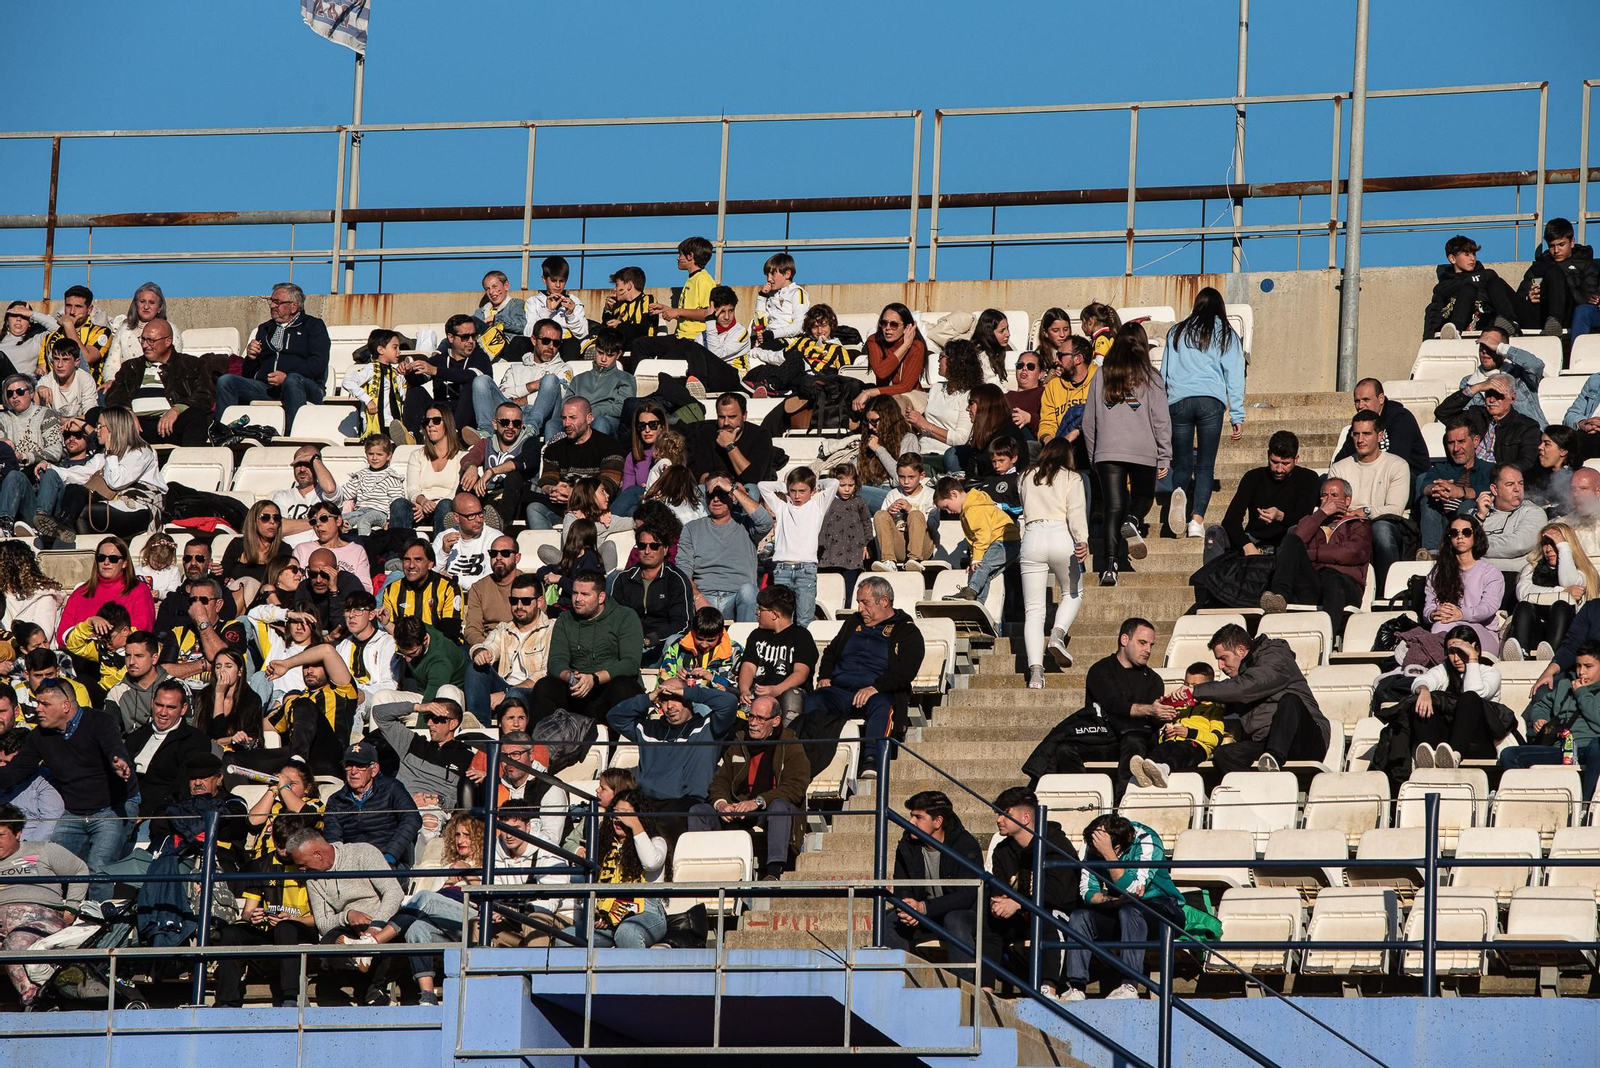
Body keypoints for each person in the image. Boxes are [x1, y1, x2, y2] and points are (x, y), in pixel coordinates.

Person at [0, 683, 137, 897]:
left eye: (45, 704)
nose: (38, 709)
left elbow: (114, 747)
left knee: (98, 868)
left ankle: (99, 915)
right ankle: (52, 909)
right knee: (49, 862)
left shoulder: (100, 721)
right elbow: (13, 772)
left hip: (113, 807)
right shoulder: (39, 736)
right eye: (37, 703)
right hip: (74, 811)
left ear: (65, 706)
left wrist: (119, 762)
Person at [792, 576, 924, 774]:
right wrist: (824, 676)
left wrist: (875, 688)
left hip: (878, 692)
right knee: (815, 699)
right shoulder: (853, 623)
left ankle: (872, 760)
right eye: (858, 602)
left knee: (883, 704)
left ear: (884, 601)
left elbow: (906, 671)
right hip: (840, 691)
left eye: (865, 602)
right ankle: (807, 757)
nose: (860, 608)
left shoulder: (906, 631)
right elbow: (831, 652)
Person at [1060, 814, 1185, 1003]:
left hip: (1162, 909)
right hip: (1119, 907)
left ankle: (1129, 985)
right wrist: (1113, 900)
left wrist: (1108, 855)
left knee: (1131, 911)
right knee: (1080, 916)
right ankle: (1076, 987)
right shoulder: (1093, 843)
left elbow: (1134, 890)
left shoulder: (1146, 840)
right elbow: (1087, 892)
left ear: (1116, 848)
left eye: (1099, 850)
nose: (1093, 852)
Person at [1082, 323, 1171, 587]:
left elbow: (1088, 421)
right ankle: (1133, 520)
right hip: (1143, 450)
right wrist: (1165, 454)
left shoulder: (1101, 374)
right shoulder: (1151, 376)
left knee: (1113, 507)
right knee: (1143, 496)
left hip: (1107, 451)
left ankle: (1109, 566)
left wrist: (1094, 455)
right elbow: (1161, 420)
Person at [211, 812, 321, 1009]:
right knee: (231, 932)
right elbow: (247, 912)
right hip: (270, 930)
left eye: (289, 846)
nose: (285, 851)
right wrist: (253, 916)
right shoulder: (262, 865)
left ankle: (291, 997)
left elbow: (322, 918)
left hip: (303, 929)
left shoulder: (309, 866)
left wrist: (294, 919)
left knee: (286, 928)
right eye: (280, 845)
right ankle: (227, 1001)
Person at [608, 676, 740, 835]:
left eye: (676, 698)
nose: (670, 705)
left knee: (669, 820)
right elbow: (614, 717)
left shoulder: (709, 727)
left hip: (686, 804)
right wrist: (649, 698)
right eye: (664, 700)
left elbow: (729, 702)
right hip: (647, 802)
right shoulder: (647, 728)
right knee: (612, 812)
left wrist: (688, 692)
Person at [284, 828, 402, 1005]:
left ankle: (371, 991)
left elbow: (394, 892)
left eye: (303, 863)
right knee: (328, 945)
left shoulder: (363, 852)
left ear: (318, 855)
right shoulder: (312, 878)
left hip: (381, 921)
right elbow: (322, 922)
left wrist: (375, 926)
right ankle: (371, 993)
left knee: (384, 938)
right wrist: (347, 916)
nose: (301, 869)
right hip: (347, 928)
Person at [1162, 288, 1245, 539]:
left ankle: (1179, 491)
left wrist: (1162, 408)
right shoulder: (1226, 334)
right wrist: (1237, 414)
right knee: (1205, 465)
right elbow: (1235, 375)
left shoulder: (1176, 332)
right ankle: (1196, 521)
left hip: (1178, 401)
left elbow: (1164, 372)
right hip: (1211, 401)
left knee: (1182, 462)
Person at [984, 787, 1081, 998]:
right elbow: (999, 888)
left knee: (1048, 918)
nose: (999, 820)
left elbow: (1059, 896)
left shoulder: (1056, 845)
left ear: (1026, 817)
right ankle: (985, 990)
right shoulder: (1002, 850)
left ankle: (1049, 987)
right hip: (1019, 917)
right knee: (988, 923)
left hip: (1056, 914)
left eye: (1005, 814)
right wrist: (997, 903)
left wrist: (1018, 903)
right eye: (998, 814)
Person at [1381, 627, 1509, 785]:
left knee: (1469, 698)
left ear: (1475, 649)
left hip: (1479, 741)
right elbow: (1421, 681)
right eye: (1451, 652)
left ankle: (1454, 755)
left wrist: (1472, 660)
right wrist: (1424, 691)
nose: (1456, 658)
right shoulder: (1444, 670)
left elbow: (1475, 692)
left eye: (1461, 652)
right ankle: (1430, 754)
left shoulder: (1490, 673)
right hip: (1445, 743)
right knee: (1420, 702)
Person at [1197, 624, 1331, 773]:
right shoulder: (1242, 679)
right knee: (1225, 755)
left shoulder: (1275, 658)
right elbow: (1230, 698)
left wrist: (1196, 691)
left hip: (1306, 739)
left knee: (1290, 700)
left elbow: (1246, 687)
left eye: (1223, 658)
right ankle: (1256, 785)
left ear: (1241, 650)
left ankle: (1274, 758)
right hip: (1267, 742)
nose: (1220, 666)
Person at [0, 801, 90, 1007]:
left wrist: (72, 907)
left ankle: (36, 1000)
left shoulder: (43, 850)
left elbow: (79, 869)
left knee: (16, 942)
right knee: (13, 941)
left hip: (39, 919)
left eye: (1, 835)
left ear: (17, 833)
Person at [879, 790, 982, 966]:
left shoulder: (964, 844)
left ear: (937, 821)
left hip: (962, 913)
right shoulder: (907, 845)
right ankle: (902, 975)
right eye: (911, 816)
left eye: (918, 817)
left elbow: (966, 896)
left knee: (954, 920)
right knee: (890, 921)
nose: (911, 822)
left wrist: (923, 908)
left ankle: (965, 980)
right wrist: (908, 907)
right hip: (924, 914)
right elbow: (901, 884)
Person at [530, 570, 645, 723]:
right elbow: (556, 661)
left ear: (601, 597)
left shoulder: (625, 617)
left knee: (623, 686)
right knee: (545, 687)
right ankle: (541, 738)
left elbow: (630, 663)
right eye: (575, 593)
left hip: (610, 687)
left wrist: (594, 678)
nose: (578, 599)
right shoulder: (565, 619)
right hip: (577, 689)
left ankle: (623, 738)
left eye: (585, 594)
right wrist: (570, 677)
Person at [1257, 478, 1371, 631]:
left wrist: (1312, 554)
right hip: (1314, 584)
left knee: (1333, 578)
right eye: (1324, 495)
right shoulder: (1313, 522)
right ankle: (1279, 597)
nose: (1329, 500)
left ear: (1347, 500)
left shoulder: (1358, 524)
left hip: (1346, 585)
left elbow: (1351, 552)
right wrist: (1321, 514)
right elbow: (1295, 541)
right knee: (1291, 539)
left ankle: (1328, 635)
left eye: (1334, 495)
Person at [564, 788, 670, 949]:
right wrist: (600, 914)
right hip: (608, 914)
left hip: (646, 911)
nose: (619, 819)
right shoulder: (604, 845)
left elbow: (650, 863)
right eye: (616, 812)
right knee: (566, 939)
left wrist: (636, 826)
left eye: (626, 814)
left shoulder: (656, 841)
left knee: (627, 932)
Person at [217, 282, 331, 429]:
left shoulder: (313, 326)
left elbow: (318, 363)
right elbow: (248, 374)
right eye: (271, 301)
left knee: (292, 380)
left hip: (306, 387)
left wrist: (286, 376)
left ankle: (292, 433)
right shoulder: (265, 329)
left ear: (294, 306)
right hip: (267, 388)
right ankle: (222, 431)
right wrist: (251, 358)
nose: (272, 306)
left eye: (277, 302)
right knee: (226, 381)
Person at [1502, 640, 1600, 800]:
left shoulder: (1581, 690)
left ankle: (1587, 804)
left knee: (1598, 746)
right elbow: (1542, 705)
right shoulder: (1565, 685)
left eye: (1588, 666)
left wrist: (1582, 693)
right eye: (1578, 666)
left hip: (1589, 750)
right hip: (1562, 749)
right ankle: (1523, 802)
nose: (1581, 672)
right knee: (1510, 754)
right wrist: (1540, 718)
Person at [1327, 409, 1412, 590]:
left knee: (1381, 530)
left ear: (1380, 436)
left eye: (1366, 434)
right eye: (1356, 434)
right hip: (1347, 524)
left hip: (1384, 524)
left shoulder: (1397, 465)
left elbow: (1395, 509)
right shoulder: (1339, 468)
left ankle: (1389, 591)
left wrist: (1365, 512)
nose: (1360, 440)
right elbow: (1331, 505)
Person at [54, 408, 166, 539]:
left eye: (100, 426)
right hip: (114, 501)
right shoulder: (104, 455)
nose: (96, 430)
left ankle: (86, 548)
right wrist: (52, 469)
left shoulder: (141, 451)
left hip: (140, 507)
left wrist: (111, 454)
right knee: (75, 489)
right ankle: (61, 525)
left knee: (84, 512)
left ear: (114, 428)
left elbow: (116, 482)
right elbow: (83, 472)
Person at [102, 318, 214, 447]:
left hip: (172, 423)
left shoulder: (191, 364)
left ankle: (189, 458)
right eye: (143, 339)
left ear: (168, 341)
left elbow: (205, 394)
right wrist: (126, 413)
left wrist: (177, 410)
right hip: (136, 427)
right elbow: (115, 395)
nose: (144, 345)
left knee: (196, 416)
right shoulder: (131, 367)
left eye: (151, 341)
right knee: (97, 415)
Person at [677, 480, 772, 624]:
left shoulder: (746, 524)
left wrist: (733, 489)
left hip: (737, 597)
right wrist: (697, 596)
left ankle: (745, 638)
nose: (716, 499)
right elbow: (683, 570)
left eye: (722, 493)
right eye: (711, 495)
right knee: (683, 593)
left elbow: (766, 521)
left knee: (749, 592)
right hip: (703, 597)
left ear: (732, 496)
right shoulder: (691, 528)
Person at [261, 640, 361, 775]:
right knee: (237, 760)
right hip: (294, 755)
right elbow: (262, 726)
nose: (309, 671)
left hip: (330, 758)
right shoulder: (294, 702)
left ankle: (298, 761)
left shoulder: (342, 691)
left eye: (316, 665)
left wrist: (287, 664)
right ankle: (296, 761)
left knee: (304, 704)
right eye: (306, 666)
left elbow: (326, 650)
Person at [1128, 664, 1234, 787]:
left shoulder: (1213, 710)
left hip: (1198, 746)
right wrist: (1166, 735)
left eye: (1194, 686)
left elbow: (1216, 739)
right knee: (1162, 748)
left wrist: (1189, 733)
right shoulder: (1181, 707)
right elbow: (1166, 733)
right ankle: (1145, 770)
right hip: (1174, 741)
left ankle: (1164, 769)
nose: (1188, 689)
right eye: (1186, 684)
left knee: (1182, 751)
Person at [758, 467, 840, 626]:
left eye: (802, 491)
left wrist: (815, 484)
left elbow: (834, 483)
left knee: (804, 620)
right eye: (793, 491)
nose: (797, 496)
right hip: (782, 569)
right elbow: (762, 486)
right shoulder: (782, 508)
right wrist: (786, 486)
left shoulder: (817, 507)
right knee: (782, 619)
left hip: (806, 570)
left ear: (812, 491)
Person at [1505, 523, 1599, 661]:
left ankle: (1554, 652)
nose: (1549, 549)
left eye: (1554, 543)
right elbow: (1523, 593)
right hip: (1537, 629)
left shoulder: (1582, 572)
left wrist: (1563, 547)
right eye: (1545, 543)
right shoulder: (1532, 568)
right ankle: (1521, 651)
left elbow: (1568, 581)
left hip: (1568, 632)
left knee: (1561, 606)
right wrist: (1562, 591)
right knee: (1524, 606)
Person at [528, 397, 626, 530]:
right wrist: (552, 489)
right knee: (534, 508)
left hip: (596, 510)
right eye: (564, 418)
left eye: (573, 418)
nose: (566, 423)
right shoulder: (554, 449)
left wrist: (575, 493)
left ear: (589, 418)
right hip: (563, 508)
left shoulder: (610, 447)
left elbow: (609, 484)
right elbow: (547, 479)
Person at [321, 741, 422, 868]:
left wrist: (390, 856)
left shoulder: (392, 788)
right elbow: (333, 840)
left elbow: (412, 819)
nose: (353, 771)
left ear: (374, 770)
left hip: (390, 861)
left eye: (360, 765)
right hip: (353, 865)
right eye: (349, 765)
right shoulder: (336, 800)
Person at [124, 680, 214, 817]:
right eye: (159, 705)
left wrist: (147, 814)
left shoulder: (195, 741)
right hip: (124, 807)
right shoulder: (136, 737)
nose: (163, 712)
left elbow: (182, 787)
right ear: (152, 703)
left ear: (183, 709)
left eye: (171, 707)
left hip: (161, 813)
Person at [610, 522, 694, 668]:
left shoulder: (676, 580)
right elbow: (614, 618)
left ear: (665, 549)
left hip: (661, 646)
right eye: (642, 546)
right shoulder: (623, 579)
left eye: (654, 546)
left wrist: (650, 639)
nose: (647, 551)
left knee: (674, 640)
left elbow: (683, 624)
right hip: (628, 645)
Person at [1419, 514, 1505, 656]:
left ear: (1475, 536)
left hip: (1482, 631)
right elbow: (1429, 606)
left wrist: (1461, 614)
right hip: (1447, 626)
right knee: (1441, 625)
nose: (1460, 537)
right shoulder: (1438, 573)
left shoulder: (1490, 573)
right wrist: (1435, 613)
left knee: (1453, 631)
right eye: (1454, 533)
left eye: (1466, 532)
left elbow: (1488, 608)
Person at [374, 695, 477, 811]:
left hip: (435, 810)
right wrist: (419, 707)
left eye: (436, 719)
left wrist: (440, 801)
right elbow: (379, 714)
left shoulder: (467, 757)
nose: (429, 723)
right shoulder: (411, 743)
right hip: (401, 806)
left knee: (429, 819)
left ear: (452, 724)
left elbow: (466, 802)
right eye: (427, 717)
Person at [1434, 325, 1547, 429]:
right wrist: (1479, 387)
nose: (1484, 351)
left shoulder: (1519, 374)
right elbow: (1464, 420)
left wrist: (1499, 348)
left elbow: (1537, 366)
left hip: (1534, 437)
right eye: (1482, 346)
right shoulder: (1469, 382)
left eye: (1490, 346)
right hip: (1495, 441)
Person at [475, 318, 569, 441]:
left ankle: (530, 429)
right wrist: (532, 386)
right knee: (481, 381)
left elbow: (557, 394)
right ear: (534, 340)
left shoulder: (563, 368)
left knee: (551, 380)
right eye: (546, 341)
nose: (551, 346)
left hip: (543, 418)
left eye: (556, 343)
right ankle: (485, 432)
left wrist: (521, 400)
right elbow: (504, 393)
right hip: (511, 415)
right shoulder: (515, 368)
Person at [738, 584, 818, 723]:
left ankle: (789, 735)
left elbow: (801, 673)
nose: (757, 613)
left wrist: (776, 690)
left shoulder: (801, 636)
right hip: (758, 692)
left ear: (774, 614)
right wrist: (745, 690)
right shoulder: (756, 635)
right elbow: (748, 666)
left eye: (761, 609)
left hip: (787, 691)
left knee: (792, 696)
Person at [1435, 372, 1542, 477]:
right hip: (1466, 474)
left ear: (1512, 398)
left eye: (1498, 395)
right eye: (1488, 394)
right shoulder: (1476, 415)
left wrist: (1499, 475)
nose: (1491, 400)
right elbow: (1442, 413)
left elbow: (1527, 463)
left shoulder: (1527, 426)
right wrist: (1476, 388)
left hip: (1499, 479)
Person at [933, 475, 1019, 604]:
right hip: (999, 542)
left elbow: (982, 534)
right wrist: (973, 560)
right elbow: (973, 540)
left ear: (954, 494)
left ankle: (970, 591)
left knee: (983, 566)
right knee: (984, 574)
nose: (948, 512)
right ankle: (977, 603)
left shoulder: (974, 508)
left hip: (1005, 541)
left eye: (946, 506)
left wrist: (977, 559)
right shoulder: (968, 509)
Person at [1414, 417, 1493, 556]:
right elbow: (1425, 486)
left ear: (1475, 441)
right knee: (1428, 500)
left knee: (1468, 503)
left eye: (1461, 442)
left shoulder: (1488, 469)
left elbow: (1491, 490)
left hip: (1473, 526)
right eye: (1451, 443)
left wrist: (1462, 492)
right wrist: (1435, 489)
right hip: (1441, 523)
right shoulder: (1440, 469)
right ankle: (1431, 553)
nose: (1456, 449)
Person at [470, 573, 553, 704]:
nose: (519, 606)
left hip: (534, 692)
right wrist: (481, 652)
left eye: (526, 601)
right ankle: (477, 717)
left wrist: (507, 693)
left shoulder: (552, 629)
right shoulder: (504, 629)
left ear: (540, 602)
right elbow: (489, 645)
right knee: (475, 668)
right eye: (514, 601)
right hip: (504, 686)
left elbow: (545, 672)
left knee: (515, 694)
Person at [57, 535, 156, 641]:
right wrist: (88, 630)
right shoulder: (80, 593)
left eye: (113, 559)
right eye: (101, 557)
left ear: (124, 563)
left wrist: (106, 640)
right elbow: (62, 635)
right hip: (80, 649)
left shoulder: (139, 590)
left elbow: (142, 629)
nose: (106, 562)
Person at [460, 405, 540, 532]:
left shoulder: (530, 442)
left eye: (516, 423)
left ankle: (500, 522)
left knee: (514, 476)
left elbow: (526, 461)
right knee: (467, 475)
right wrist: (471, 466)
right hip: (489, 498)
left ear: (522, 425)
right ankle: (459, 518)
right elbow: (469, 457)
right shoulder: (487, 443)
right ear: (495, 424)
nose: (510, 427)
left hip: (517, 501)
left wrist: (492, 471)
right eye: (505, 422)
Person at [905, 340, 982, 472]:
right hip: (922, 450)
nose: (938, 360)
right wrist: (916, 422)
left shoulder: (968, 395)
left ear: (955, 362)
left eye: (942, 356)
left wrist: (925, 425)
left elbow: (960, 439)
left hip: (947, 456)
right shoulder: (936, 388)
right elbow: (926, 428)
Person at [1423, 234, 1518, 339]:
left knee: (1494, 283)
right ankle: (1455, 330)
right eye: (1467, 254)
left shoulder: (1487, 278)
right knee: (1467, 290)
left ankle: (1510, 323)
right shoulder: (1443, 288)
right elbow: (1433, 315)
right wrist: (1428, 341)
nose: (1472, 258)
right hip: (1456, 327)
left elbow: (1491, 276)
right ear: (1452, 258)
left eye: (1474, 254)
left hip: (1488, 326)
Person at [1515, 217, 1598, 335]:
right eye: (1551, 246)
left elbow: (1587, 300)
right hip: (1541, 316)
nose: (1556, 251)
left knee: (1554, 272)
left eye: (1561, 245)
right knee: (1495, 281)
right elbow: (1519, 297)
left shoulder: (1586, 265)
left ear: (1572, 242)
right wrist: (1529, 297)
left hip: (1571, 314)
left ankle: (1555, 320)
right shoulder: (1538, 267)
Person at [1331, 378, 1432, 475]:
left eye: (1366, 400)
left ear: (1381, 399)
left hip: (1409, 475)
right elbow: (1340, 461)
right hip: (1369, 474)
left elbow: (1397, 461)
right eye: (1357, 401)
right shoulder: (1359, 424)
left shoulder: (1401, 418)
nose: (1360, 406)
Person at [685, 393, 775, 491]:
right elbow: (700, 475)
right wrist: (724, 484)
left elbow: (753, 478)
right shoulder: (706, 433)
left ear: (744, 415)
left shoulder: (760, 435)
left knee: (752, 488)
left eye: (732, 417)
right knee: (700, 488)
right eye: (721, 417)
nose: (726, 423)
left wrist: (730, 446)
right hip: (715, 489)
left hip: (746, 492)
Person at [399, 405, 467, 531]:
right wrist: (423, 502)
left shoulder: (462, 457)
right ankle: (397, 543)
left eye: (436, 420)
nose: (430, 425)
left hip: (446, 509)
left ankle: (441, 544)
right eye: (426, 421)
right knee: (399, 504)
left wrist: (432, 506)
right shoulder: (417, 455)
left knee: (445, 505)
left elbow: (455, 492)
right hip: (420, 508)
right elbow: (412, 489)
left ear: (447, 423)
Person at [381, 539, 462, 643]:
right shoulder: (391, 590)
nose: (411, 565)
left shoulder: (449, 588)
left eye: (418, 560)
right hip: (405, 648)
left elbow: (450, 633)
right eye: (407, 560)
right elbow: (394, 631)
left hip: (442, 647)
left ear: (430, 564)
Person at [853, 302, 927, 414]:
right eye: (884, 323)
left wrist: (906, 345)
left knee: (897, 402)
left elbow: (905, 386)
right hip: (884, 394)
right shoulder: (874, 341)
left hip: (911, 394)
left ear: (906, 327)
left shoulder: (916, 346)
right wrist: (904, 347)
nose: (887, 328)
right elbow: (881, 372)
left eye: (894, 324)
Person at [872, 453, 939, 573]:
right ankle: (888, 561)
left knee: (915, 514)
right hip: (899, 545)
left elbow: (933, 526)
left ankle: (914, 560)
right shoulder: (893, 494)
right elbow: (882, 526)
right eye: (901, 477)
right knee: (880, 514)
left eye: (911, 477)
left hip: (923, 547)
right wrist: (889, 513)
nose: (906, 482)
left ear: (922, 476)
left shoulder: (931, 495)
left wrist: (910, 509)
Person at [329, 433, 407, 536]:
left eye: (379, 454)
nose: (374, 458)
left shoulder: (391, 477)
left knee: (364, 521)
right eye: (371, 454)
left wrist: (389, 520)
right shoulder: (361, 475)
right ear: (366, 454)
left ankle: (364, 543)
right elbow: (345, 494)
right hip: (360, 511)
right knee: (337, 520)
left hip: (379, 513)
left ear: (388, 456)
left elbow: (396, 502)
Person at [817, 463, 876, 598]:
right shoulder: (827, 500)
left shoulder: (859, 501)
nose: (847, 489)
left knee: (849, 591)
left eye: (851, 485)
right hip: (828, 554)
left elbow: (866, 523)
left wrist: (867, 544)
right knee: (828, 592)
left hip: (852, 555)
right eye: (842, 485)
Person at [104, 282, 182, 383]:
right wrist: (111, 381)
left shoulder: (171, 330)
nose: (146, 307)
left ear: (160, 307)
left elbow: (175, 363)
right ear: (136, 304)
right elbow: (112, 364)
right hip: (127, 385)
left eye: (152, 302)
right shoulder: (124, 331)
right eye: (142, 301)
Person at [1475, 462, 1545, 571]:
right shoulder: (1476, 513)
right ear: (1494, 489)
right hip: (1475, 574)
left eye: (1520, 483)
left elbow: (1518, 545)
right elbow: (1458, 540)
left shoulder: (1534, 512)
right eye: (1510, 484)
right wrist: (1479, 517)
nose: (1517, 489)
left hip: (1513, 576)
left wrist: (1473, 545)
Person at [430, 491, 503, 592]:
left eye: (480, 514)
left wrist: (456, 580)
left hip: (480, 596)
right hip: (449, 595)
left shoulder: (495, 539)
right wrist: (444, 552)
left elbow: (490, 581)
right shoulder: (444, 537)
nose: (478, 520)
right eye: (471, 516)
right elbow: (430, 576)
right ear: (456, 517)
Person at [570, 330, 635, 438]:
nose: (603, 359)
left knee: (600, 422)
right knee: (552, 424)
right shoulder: (578, 379)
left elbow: (623, 408)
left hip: (608, 420)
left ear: (618, 354)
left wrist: (596, 411)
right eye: (600, 353)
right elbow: (566, 403)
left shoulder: (626, 379)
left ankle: (594, 449)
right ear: (595, 349)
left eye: (610, 355)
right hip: (578, 419)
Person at [525, 255, 590, 355]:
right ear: (544, 279)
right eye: (554, 280)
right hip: (541, 346)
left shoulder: (574, 301)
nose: (558, 285)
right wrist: (547, 311)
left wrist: (570, 315)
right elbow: (528, 333)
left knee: (572, 344)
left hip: (564, 345)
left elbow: (583, 333)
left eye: (562, 281)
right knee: (518, 341)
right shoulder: (533, 301)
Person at [392, 617, 466, 702]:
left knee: (447, 690)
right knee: (382, 697)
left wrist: (419, 710)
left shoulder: (440, 660)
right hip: (422, 694)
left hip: (445, 699)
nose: (407, 659)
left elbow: (429, 700)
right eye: (403, 653)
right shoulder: (417, 629)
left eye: (413, 653)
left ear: (425, 640)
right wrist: (386, 624)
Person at [35, 335, 100, 419]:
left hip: (79, 425)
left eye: (65, 359)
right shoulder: (45, 381)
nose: (60, 365)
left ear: (76, 362)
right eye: (56, 359)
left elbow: (90, 415)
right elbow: (37, 416)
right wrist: (37, 392)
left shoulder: (86, 380)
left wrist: (66, 422)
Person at [1004, 350, 1047, 440]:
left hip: (1031, 441)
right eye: (1020, 365)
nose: (1024, 369)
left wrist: (1030, 418)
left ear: (1040, 374)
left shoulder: (1044, 393)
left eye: (1030, 367)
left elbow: (1050, 423)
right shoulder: (1006, 397)